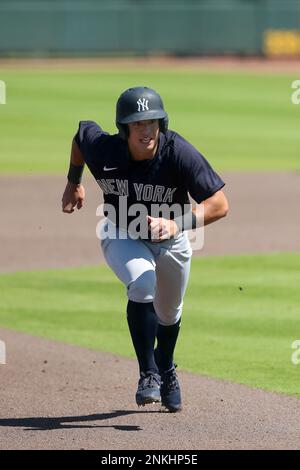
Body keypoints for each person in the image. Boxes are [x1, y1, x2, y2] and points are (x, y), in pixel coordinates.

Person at [62, 86, 229, 412]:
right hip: (122, 233)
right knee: (141, 282)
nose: (146, 130)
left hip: (172, 241)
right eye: (138, 123)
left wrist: (177, 224)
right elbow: (80, 138)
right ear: (124, 127)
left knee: (169, 315)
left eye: (152, 122)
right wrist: (73, 181)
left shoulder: (178, 152)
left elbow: (220, 204)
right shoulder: (105, 150)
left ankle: (166, 368)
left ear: (161, 124)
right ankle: (148, 373)